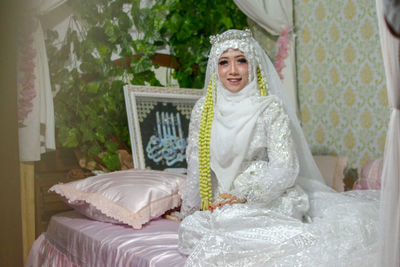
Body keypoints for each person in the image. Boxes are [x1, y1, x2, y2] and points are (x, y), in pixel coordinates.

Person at [177, 29, 380, 266]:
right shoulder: (204, 110)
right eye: (224, 62)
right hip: (219, 199)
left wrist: (243, 195)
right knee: (193, 228)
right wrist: (188, 210)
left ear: (253, 64)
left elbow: (285, 167)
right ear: (215, 67)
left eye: (241, 60)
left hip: (264, 193)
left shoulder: (269, 109)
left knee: (232, 220)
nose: (233, 70)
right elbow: (196, 162)